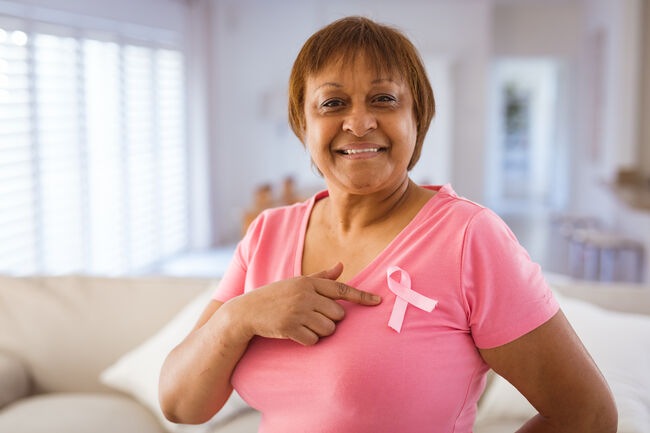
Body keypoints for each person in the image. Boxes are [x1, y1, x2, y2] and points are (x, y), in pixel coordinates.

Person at [159, 16, 617, 432]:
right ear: (303, 124)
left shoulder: (469, 238)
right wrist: (238, 318)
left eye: (384, 99)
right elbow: (181, 405)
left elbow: (588, 416)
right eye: (332, 102)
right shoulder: (266, 235)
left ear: (417, 118)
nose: (359, 124)